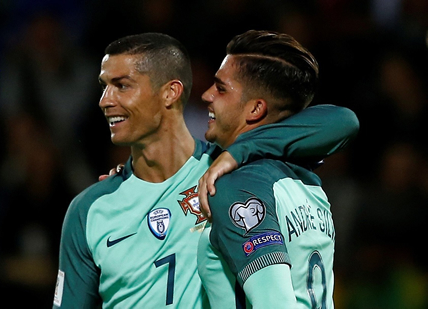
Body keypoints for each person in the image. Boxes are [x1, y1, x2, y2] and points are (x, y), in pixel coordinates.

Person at [53, 32, 358, 308]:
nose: (105, 101)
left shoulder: (230, 176)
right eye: (104, 87)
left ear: (170, 92)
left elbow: (341, 122)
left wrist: (239, 152)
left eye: (121, 86)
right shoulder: (90, 209)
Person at [196, 30, 359, 308]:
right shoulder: (304, 179)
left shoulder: (239, 186)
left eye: (221, 88)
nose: (206, 95)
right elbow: (345, 120)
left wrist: (238, 153)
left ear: (256, 109)